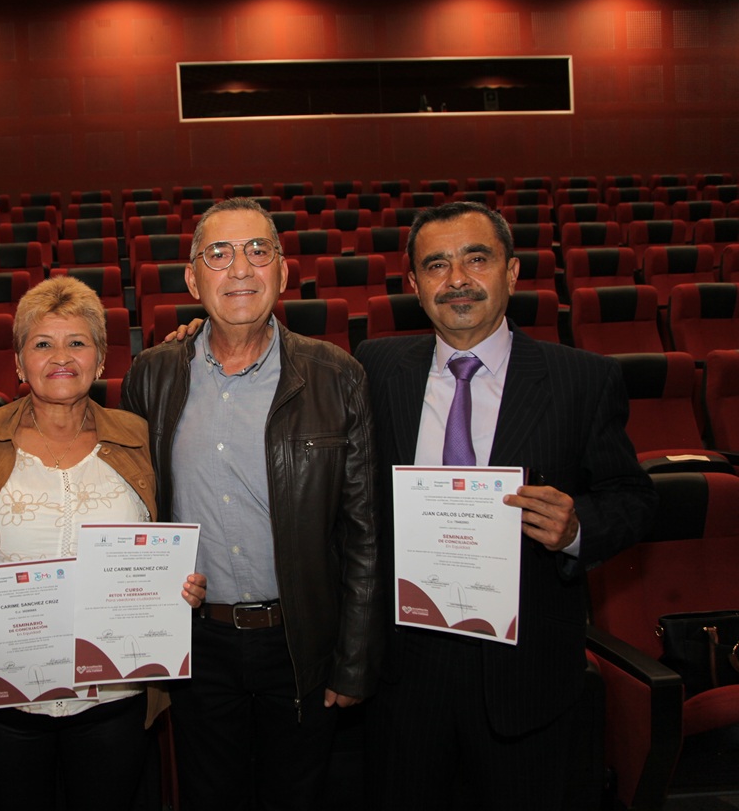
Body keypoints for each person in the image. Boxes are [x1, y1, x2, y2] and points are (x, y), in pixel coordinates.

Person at [356, 202, 657, 810]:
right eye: (436, 265)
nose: (457, 279)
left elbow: (635, 499)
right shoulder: (376, 367)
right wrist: (198, 334)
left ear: (513, 273)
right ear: (413, 285)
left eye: (477, 259)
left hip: (526, 678)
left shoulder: (583, 379)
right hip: (406, 673)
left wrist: (576, 527)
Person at [120, 197, 383, 811]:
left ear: (283, 272)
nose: (239, 268)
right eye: (218, 253)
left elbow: (364, 533)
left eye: (257, 250)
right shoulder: (151, 375)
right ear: (192, 279)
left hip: (300, 643)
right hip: (198, 644)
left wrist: (352, 659)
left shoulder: (337, 376)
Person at [0, 276, 207, 811]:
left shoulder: (138, 437)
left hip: (113, 696)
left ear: (101, 360)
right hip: (7, 699)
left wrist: (184, 586)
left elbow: (172, 531)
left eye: (77, 342)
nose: (61, 356)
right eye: (43, 343)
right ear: (18, 362)